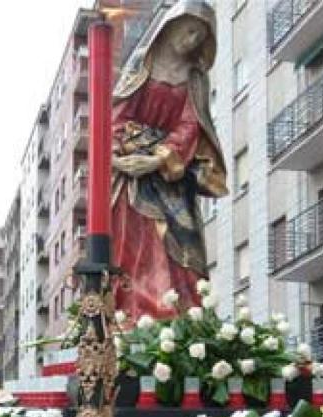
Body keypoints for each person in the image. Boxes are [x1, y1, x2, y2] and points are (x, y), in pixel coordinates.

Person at [110, 0, 227, 321]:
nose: (191, 40)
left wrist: (159, 159)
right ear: (173, 24)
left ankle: (181, 314)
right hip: (132, 175)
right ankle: (133, 315)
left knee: (183, 248)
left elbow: (191, 125)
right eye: (189, 31)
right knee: (137, 247)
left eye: (199, 37)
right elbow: (117, 116)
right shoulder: (141, 63)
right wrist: (121, 158)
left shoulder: (195, 78)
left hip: (172, 173)